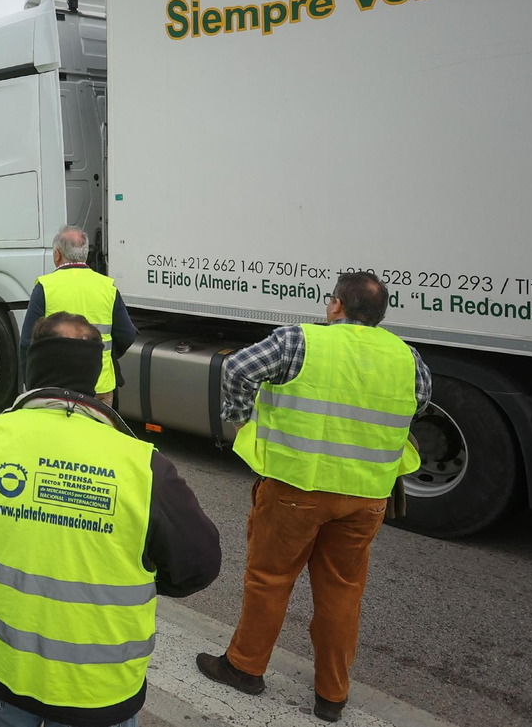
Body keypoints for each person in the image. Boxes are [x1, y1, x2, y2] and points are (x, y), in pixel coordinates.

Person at [0, 312, 222, 727]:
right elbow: (199, 564)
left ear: (31, 368)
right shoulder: (142, 465)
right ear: (94, 377)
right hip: (99, 692)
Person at [197, 271, 430, 723]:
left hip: (295, 487)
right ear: (380, 315)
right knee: (342, 592)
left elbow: (238, 369)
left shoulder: (298, 340)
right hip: (366, 496)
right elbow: (418, 403)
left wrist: (241, 420)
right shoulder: (408, 357)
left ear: (336, 305)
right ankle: (331, 694)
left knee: (270, 579)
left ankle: (244, 668)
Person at [22, 225, 137, 405]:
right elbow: (127, 335)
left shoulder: (45, 287)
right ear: (85, 254)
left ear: (57, 254)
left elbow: (27, 342)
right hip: (100, 385)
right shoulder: (107, 288)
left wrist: (30, 383)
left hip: (56, 387)